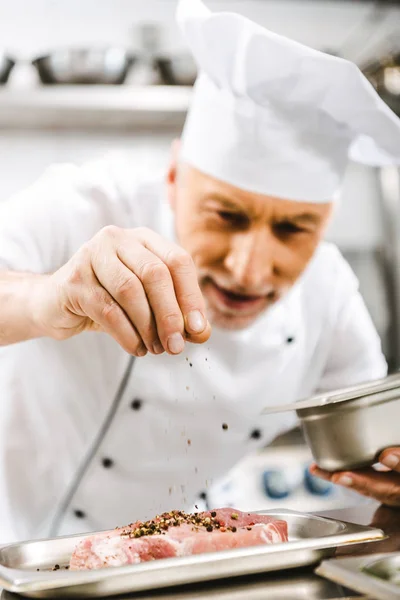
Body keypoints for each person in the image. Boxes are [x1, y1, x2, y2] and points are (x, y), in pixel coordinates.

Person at [0, 0, 400, 543]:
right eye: (226, 216)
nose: (249, 270)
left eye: (293, 229)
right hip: (16, 547)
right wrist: (43, 298)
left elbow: (374, 450)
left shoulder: (328, 294)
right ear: (172, 177)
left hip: (174, 558)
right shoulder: (81, 206)